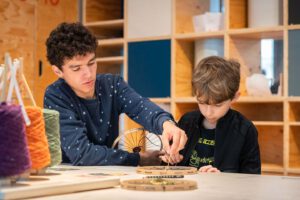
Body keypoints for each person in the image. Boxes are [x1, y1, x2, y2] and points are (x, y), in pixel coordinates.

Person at [43, 22, 186, 166]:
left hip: (109, 172)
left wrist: (167, 125)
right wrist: (138, 159)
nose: (88, 74)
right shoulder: (55, 95)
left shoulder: (112, 85)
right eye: (76, 68)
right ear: (58, 71)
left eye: (91, 63)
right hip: (69, 176)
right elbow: (81, 153)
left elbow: (141, 107)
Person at [173, 56, 261, 174]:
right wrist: (171, 159)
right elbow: (172, 166)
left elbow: (253, 179)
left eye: (218, 105)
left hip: (223, 191)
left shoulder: (245, 129)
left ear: (235, 97)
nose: (208, 112)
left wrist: (221, 178)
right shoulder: (186, 121)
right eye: (202, 103)